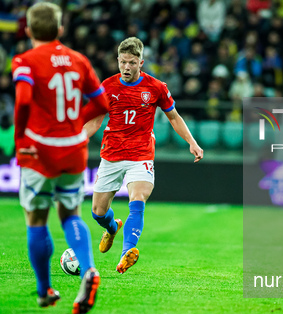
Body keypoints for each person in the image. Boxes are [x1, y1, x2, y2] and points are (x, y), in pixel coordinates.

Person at [12, 2, 109, 314]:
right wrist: (76, 127)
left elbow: (24, 99)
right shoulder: (78, 60)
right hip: (74, 148)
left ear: (27, 31)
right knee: (70, 213)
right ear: (61, 30)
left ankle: (45, 291)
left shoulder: (24, 61)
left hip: (40, 150)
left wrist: (21, 138)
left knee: (36, 219)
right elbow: (102, 103)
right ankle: (89, 269)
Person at [84, 37, 203, 275]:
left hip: (141, 154)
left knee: (137, 199)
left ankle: (126, 253)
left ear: (141, 62)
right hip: (112, 154)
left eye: (132, 62)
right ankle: (111, 226)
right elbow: (96, 119)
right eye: (123, 62)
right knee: (97, 211)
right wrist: (76, 142)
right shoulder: (107, 87)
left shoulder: (156, 87)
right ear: (117, 60)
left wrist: (192, 142)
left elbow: (174, 117)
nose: (126, 67)